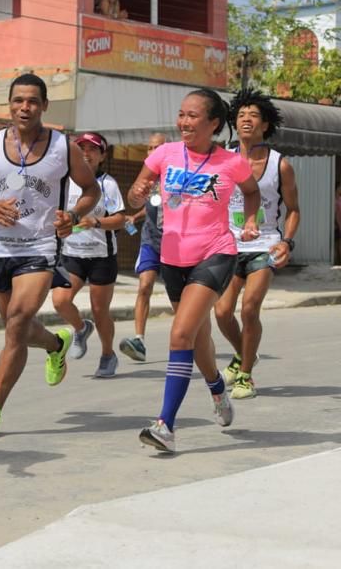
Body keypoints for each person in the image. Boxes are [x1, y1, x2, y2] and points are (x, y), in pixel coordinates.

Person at [0, 73, 100, 436]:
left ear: (44, 106)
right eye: (18, 100)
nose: (25, 107)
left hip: (41, 247)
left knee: (18, 321)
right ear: (9, 104)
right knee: (16, 328)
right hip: (1, 249)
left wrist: (73, 215)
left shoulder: (63, 148)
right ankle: (56, 343)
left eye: (33, 101)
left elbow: (91, 189)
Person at [127, 89, 261, 454]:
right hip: (173, 258)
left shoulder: (231, 162)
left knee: (181, 333)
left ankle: (165, 426)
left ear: (213, 123)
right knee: (198, 337)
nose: (184, 122)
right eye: (181, 115)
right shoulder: (164, 154)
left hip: (215, 253)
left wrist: (250, 220)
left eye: (193, 116)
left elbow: (251, 192)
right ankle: (217, 389)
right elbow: (136, 194)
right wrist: (137, 194)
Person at [214, 90, 300, 399]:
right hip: (228, 245)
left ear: (265, 125)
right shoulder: (221, 159)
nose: (246, 120)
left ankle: (245, 376)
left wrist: (287, 242)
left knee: (249, 308)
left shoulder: (280, 165)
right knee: (222, 312)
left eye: (253, 116)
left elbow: (294, 210)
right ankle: (244, 354)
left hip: (265, 245)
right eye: (241, 115)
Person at [52, 132, 128, 377]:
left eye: (93, 149)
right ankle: (81, 328)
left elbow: (120, 220)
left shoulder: (108, 184)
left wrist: (95, 222)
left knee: (99, 310)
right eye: (81, 148)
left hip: (101, 256)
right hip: (71, 254)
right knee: (60, 301)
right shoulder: (64, 181)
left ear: (102, 156)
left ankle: (108, 355)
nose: (86, 153)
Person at [119, 132, 167, 362]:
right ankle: (139, 340)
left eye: (158, 147)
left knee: (180, 294)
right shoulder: (146, 177)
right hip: (151, 240)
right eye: (149, 148)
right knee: (145, 285)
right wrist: (134, 216)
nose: (153, 152)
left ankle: (192, 337)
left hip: (176, 243)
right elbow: (149, 206)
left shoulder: (174, 175)